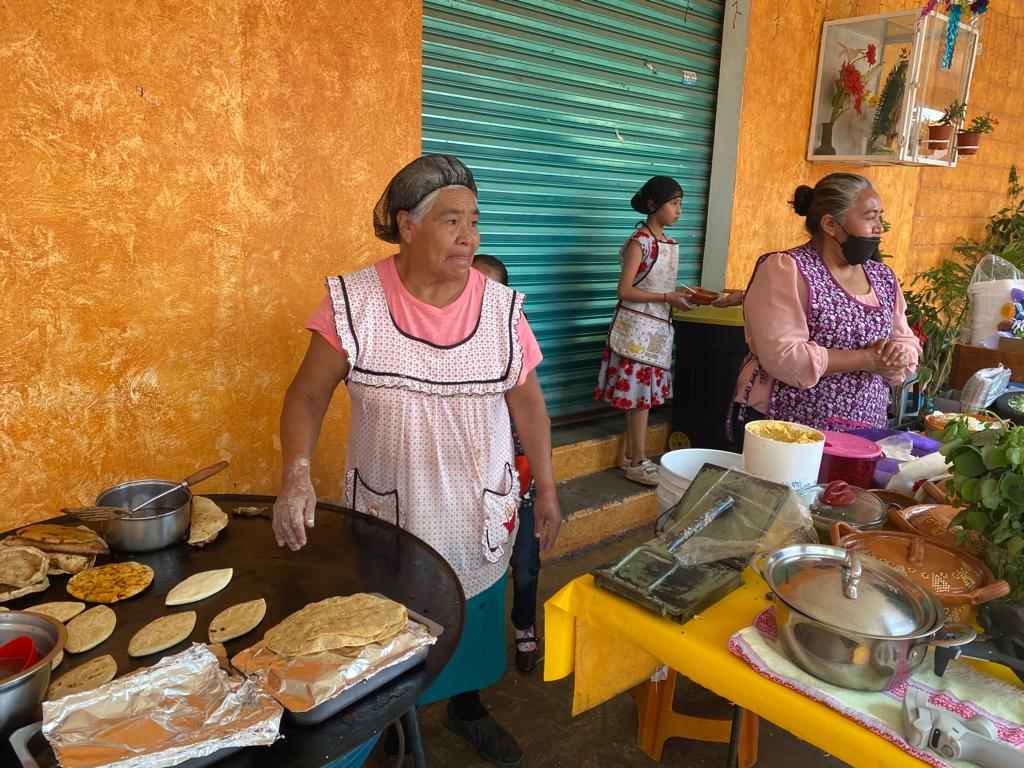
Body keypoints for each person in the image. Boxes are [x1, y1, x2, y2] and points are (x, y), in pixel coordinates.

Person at [272, 154, 561, 768]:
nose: (470, 237)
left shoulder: (504, 309)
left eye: (475, 221)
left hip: (474, 508)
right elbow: (307, 394)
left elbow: (530, 407)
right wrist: (294, 472)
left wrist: (551, 492)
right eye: (452, 221)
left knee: (475, 621)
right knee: (384, 633)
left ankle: (468, 709)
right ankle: (391, 728)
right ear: (406, 225)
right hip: (391, 507)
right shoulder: (354, 302)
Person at [727, 172, 919, 448]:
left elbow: (904, 338)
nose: (880, 228)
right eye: (870, 217)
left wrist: (898, 357)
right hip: (785, 431)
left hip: (862, 434)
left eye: (880, 217)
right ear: (830, 224)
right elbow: (785, 357)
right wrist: (866, 359)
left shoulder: (882, 277)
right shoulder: (787, 269)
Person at [594, 176, 694, 486]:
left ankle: (632, 456)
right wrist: (667, 297)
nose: (679, 210)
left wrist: (683, 292)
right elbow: (624, 290)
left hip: (657, 331)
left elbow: (654, 285)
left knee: (644, 400)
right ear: (653, 205)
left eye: (680, 204)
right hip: (636, 332)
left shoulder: (667, 243)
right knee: (639, 400)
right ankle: (637, 461)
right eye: (674, 203)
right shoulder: (640, 243)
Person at [472, 253, 542, 676]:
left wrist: (546, 486)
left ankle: (524, 625)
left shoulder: (515, 342)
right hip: (473, 484)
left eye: (489, 289)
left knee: (525, 561)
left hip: (521, 479)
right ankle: (472, 640)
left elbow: (535, 416)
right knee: (479, 565)